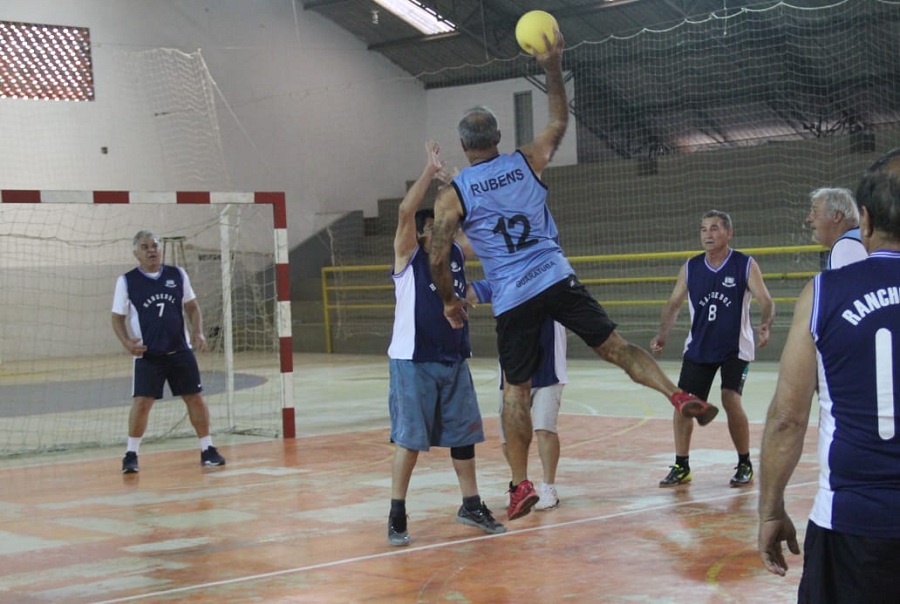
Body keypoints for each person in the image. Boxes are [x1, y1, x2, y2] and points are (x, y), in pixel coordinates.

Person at [428, 29, 719, 522]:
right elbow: (561, 119)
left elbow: (437, 255)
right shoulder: (527, 159)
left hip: (515, 296)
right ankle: (677, 393)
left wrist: (450, 300)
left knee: (515, 393)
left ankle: (521, 486)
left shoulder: (453, 193)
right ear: (497, 139)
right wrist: (551, 65)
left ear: (462, 144)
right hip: (557, 275)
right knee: (617, 348)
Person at [757, 163, 900, 602]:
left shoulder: (823, 293)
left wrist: (771, 510)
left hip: (853, 523)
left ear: (866, 220)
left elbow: (787, 419)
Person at [386, 141, 505, 547]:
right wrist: (428, 171)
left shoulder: (456, 251)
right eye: (434, 221)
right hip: (413, 361)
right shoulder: (409, 254)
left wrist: (458, 183)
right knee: (410, 439)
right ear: (421, 231)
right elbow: (404, 211)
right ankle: (397, 511)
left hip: (454, 357)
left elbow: (485, 224)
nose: (442, 224)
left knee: (464, 434)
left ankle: (470, 504)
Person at [650, 210, 775, 488]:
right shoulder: (691, 267)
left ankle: (745, 463)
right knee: (683, 404)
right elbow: (673, 304)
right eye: (704, 229)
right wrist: (662, 334)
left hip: (735, 347)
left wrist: (765, 323)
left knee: (730, 399)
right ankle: (681, 465)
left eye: (715, 228)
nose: (708, 234)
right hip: (700, 347)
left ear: (729, 233)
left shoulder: (744, 264)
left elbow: (765, 299)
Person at [112, 230, 225, 473]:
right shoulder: (127, 281)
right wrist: (127, 343)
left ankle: (208, 449)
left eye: (154, 246)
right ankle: (131, 454)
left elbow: (192, 307)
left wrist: (198, 331)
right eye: (145, 247)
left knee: (194, 398)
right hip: (148, 354)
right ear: (136, 253)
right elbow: (117, 318)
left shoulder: (177, 275)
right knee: (142, 402)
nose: (151, 250)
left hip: (180, 350)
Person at [468, 280, 567, 510]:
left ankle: (548, 486)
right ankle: (519, 484)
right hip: (513, 367)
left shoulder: (548, 275)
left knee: (545, 428)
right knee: (508, 436)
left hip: (548, 367)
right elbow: (471, 293)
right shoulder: (502, 278)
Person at [806, 187, 867, 269]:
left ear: (836, 216)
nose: (808, 219)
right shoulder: (856, 239)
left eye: (815, 211)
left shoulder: (846, 246)